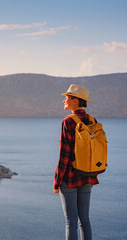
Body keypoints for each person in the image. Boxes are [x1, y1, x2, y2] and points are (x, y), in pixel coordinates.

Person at [53, 84, 99, 240]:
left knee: (71, 222)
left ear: (75, 101)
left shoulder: (68, 121)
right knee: (84, 220)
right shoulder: (92, 120)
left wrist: (57, 181)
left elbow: (64, 155)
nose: (64, 100)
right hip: (88, 176)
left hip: (70, 178)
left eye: (67, 97)